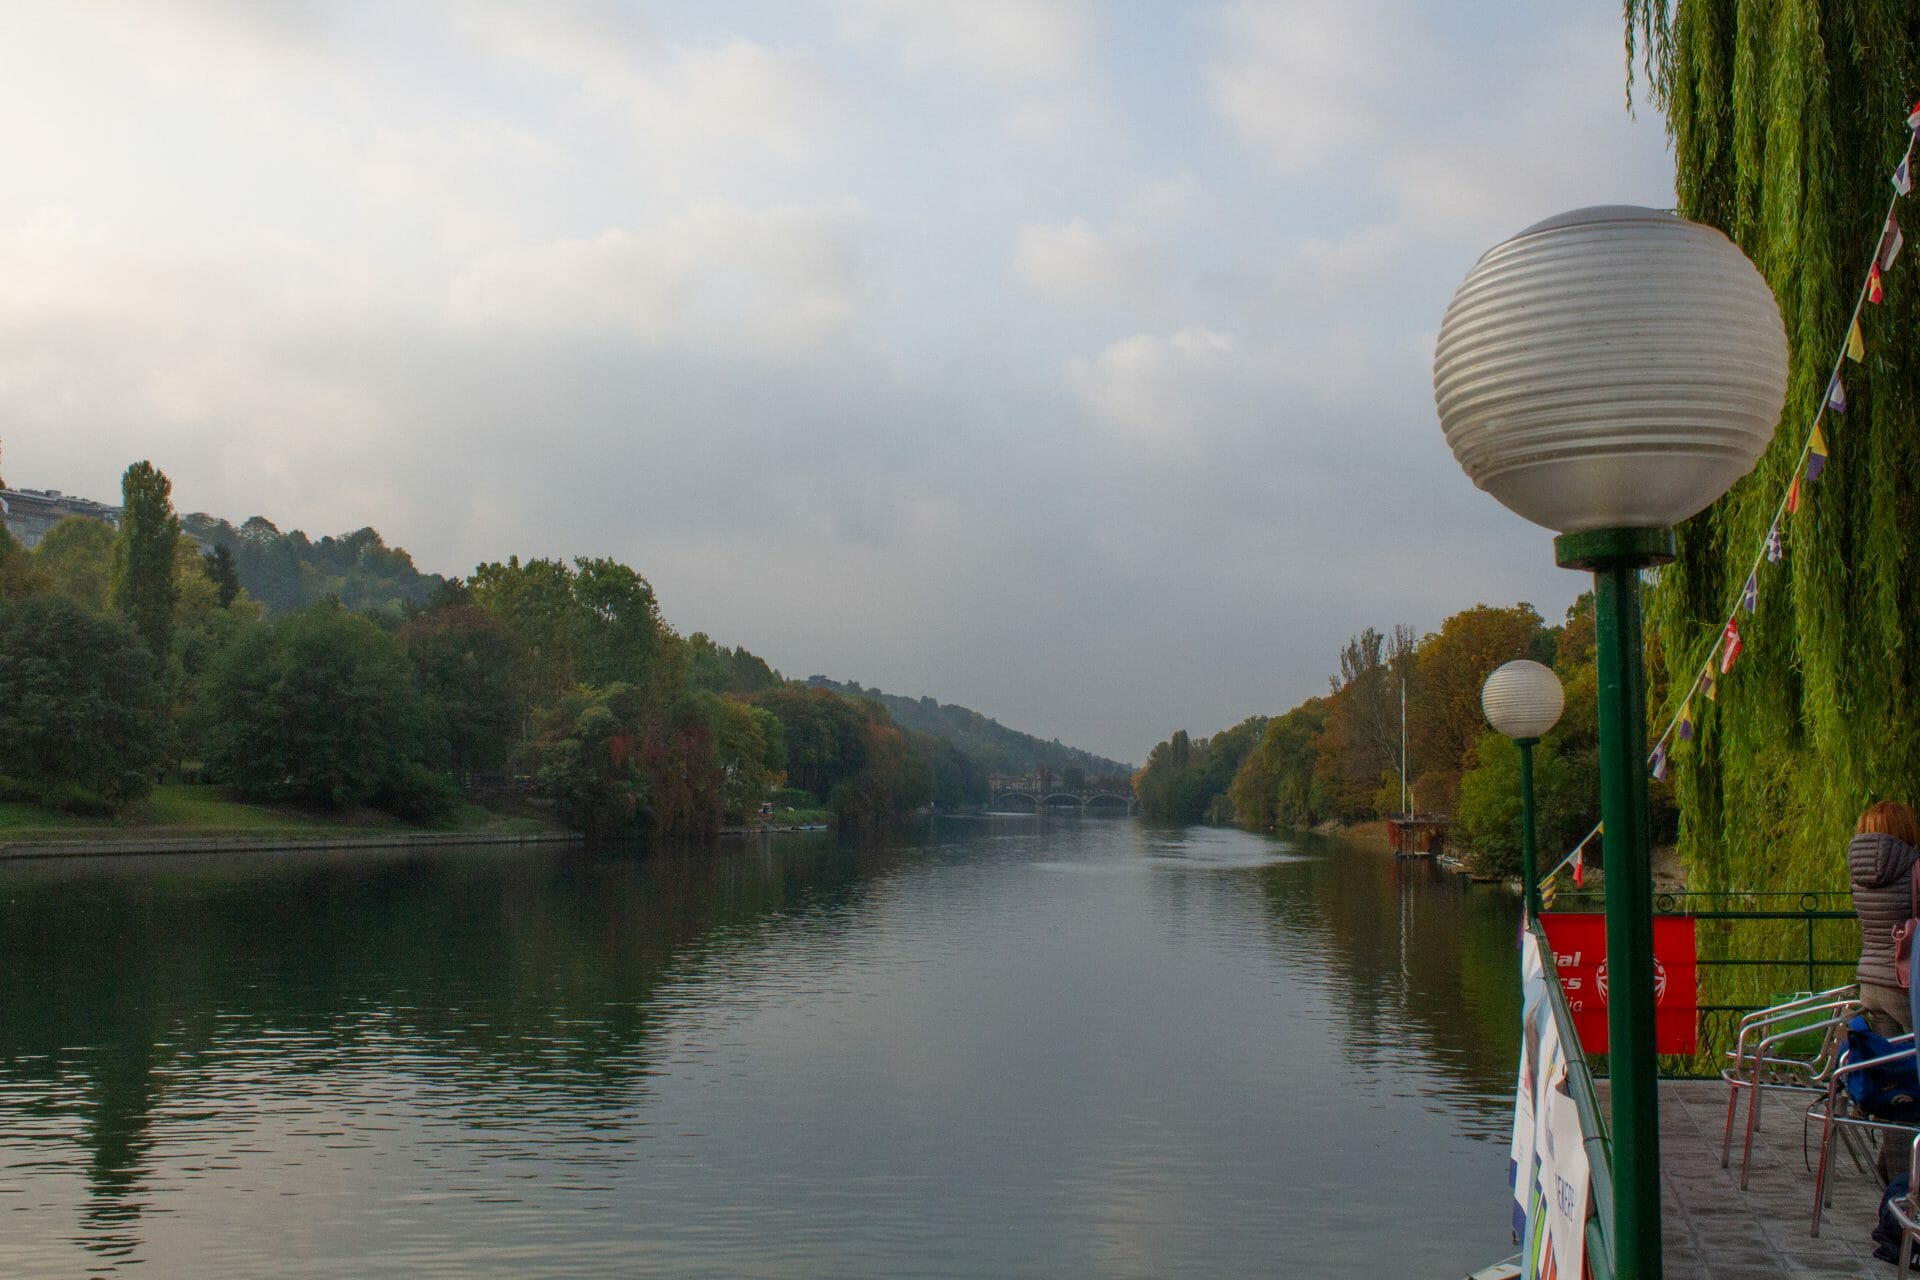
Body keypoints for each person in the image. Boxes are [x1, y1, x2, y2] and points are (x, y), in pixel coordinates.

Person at [1850, 800, 1920, 1034]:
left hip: (1870, 981)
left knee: (1889, 1062)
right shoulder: (1914, 867)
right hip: (1905, 983)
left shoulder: (1859, 872)